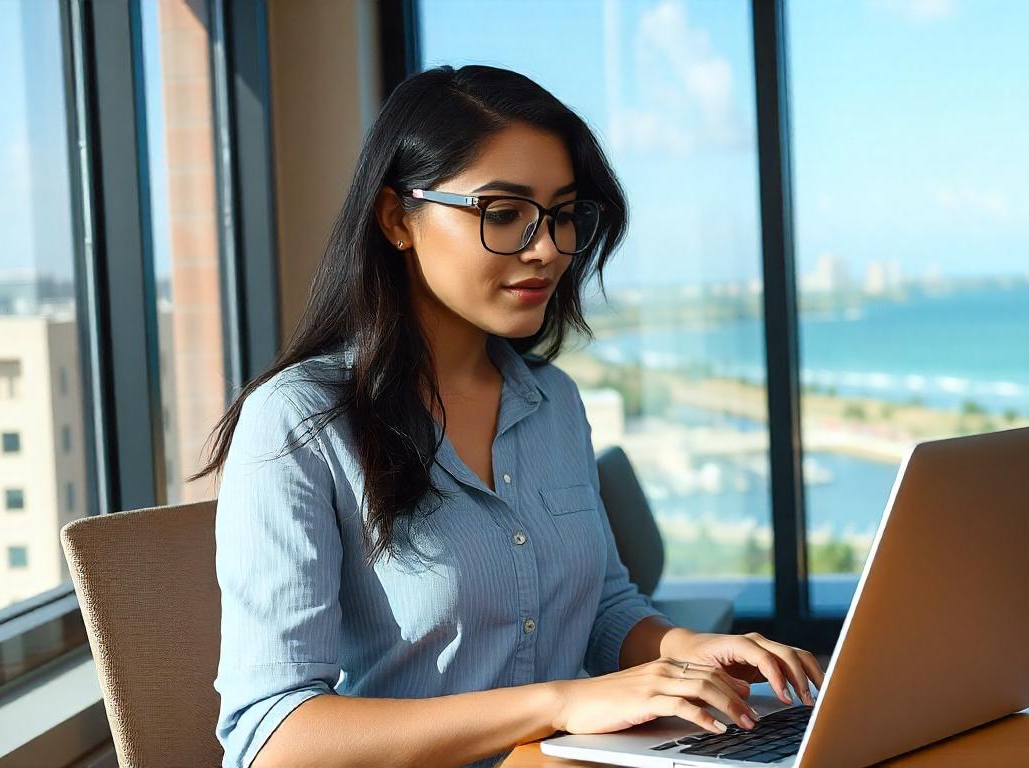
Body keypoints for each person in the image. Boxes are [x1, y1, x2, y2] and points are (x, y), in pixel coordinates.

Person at [196, 64, 823, 768]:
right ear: (398, 218)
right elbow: (271, 739)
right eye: (503, 213)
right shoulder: (298, 423)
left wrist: (684, 650)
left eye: (560, 214)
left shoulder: (553, 401)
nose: (548, 247)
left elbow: (603, 606)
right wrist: (560, 703)